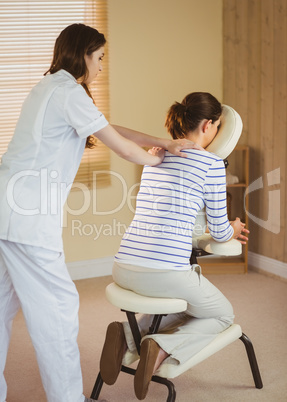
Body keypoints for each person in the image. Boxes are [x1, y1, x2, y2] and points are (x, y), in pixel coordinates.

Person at [0, 24, 200, 402]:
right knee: (58, 309)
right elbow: (121, 147)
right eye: (100, 58)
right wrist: (155, 161)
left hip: (5, 209)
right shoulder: (68, 92)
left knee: (1, 306)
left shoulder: (50, 87)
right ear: (83, 54)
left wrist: (158, 143)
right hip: (27, 217)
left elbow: (105, 128)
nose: (102, 66)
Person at [99, 92, 250, 400]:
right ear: (208, 125)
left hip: (123, 266)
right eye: (218, 126)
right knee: (220, 314)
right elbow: (220, 232)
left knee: (187, 303)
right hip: (163, 272)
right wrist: (233, 229)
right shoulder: (212, 164)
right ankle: (160, 348)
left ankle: (128, 335)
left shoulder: (157, 154)